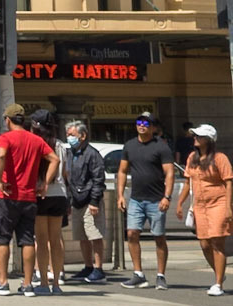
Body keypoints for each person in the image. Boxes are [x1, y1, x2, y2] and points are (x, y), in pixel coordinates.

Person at [0, 102, 58, 296]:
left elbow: (1, 155)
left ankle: (2, 282)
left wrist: (0, 180)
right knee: (27, 239)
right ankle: (27, 284)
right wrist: (44, 184)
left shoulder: (6, 138)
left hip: (8, 196)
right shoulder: (35, 140)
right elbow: (54, 159)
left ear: (8, 120)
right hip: (29, 197)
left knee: (2, 238)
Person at [117, 112, 177, 288]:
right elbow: (122, 171)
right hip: (136, 199)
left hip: (156, 200)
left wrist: (167, 196)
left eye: (146, 123)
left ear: (153, 127)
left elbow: (170, 173)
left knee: (159, 237)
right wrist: (120, 195)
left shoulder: (161, 146)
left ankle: (161, 276)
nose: (142, 125)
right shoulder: (129, 145)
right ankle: (138, 274)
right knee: (132, 234)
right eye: (139, 122)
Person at [174, 124, 232, 294]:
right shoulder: (192, 157)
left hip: (218, 203)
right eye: (195, 136)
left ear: (209, 140)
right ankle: (219, 274)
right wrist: (180, 203)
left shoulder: (220, 158)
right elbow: (187, 182)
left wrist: (228, 207)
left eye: (199, 136)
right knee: (204, 243)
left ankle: (218, 284)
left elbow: (229, 182)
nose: (195, 139)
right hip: (200, 206)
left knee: (217, 241)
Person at [61, 116, 107, 284]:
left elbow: (98, 179)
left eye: (72, 134)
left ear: (82, 135)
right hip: (77, 201)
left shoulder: (92, 154)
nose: (69, 138)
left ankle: (98, 268)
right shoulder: (70, 153)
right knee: (82, 236)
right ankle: (88, 266)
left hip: (90, 201)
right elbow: (69, 179)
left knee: (94, 235)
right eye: (67, 134)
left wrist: (94, 201)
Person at [28, 109, 68, 294]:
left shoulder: (36, 143)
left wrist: (44, 183)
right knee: (56, 239)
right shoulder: (60, 144)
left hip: (41, 193)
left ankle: (44, 281)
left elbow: (54, 162)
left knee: (42, 240)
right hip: (60, 194)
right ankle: (57, 282)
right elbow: (64, 171)